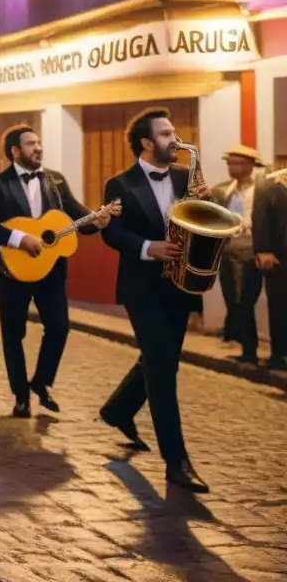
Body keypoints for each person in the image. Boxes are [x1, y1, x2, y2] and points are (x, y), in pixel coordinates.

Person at [97, 108, 211, 493]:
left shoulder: (185, 176)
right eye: (166, 134)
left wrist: (208, 207)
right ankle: (176, 462)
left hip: (179, 287)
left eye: (174, 132)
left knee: (158, 357)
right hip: (141, 288)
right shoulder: (120, 183)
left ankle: (117, 410)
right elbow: (112, 234)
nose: (175, 140)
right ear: (147, 143)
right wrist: (149, 247)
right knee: (163, 368)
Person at [0, 126, 109, 417]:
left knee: (59, 326)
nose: (38, 147)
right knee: (14, 334)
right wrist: (19, 239)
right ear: (15, 151)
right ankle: (20, 395)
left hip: (51, 269)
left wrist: (97, 219)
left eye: (39, 142)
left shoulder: (55, 181)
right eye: (30, 144)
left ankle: (41, 381)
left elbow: (75, 216)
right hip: (13, 271)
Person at [210, 145, 264, 359]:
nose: (233, 167)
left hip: (252, 246)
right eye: (230, 163)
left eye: (238, 163)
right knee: (231, 296)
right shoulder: (224, 190)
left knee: (246, 297)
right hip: (228, 247)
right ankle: (241, 343)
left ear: (251, 165)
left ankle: (250, 350)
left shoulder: (262, 188)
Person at [253, 165, 287, 370]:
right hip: (280, 256)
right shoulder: (272, 183)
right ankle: (279, 355)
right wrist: (263, 249)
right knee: (280, 304)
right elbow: (260, 217)